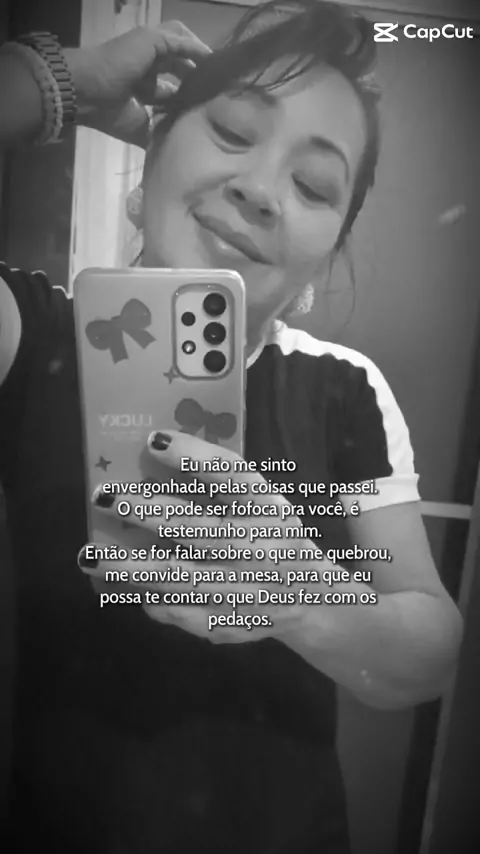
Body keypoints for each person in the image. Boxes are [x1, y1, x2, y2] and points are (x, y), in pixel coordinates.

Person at [0, 2, 462, 852]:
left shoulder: (343, 388)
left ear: (327, 250)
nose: (259, 189)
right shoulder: (25, 336)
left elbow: (429, 655)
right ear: (152, 155)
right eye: (232, 132)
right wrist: (56, 82)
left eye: (313, 185)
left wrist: (300, 595)